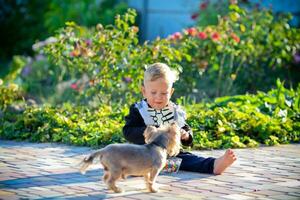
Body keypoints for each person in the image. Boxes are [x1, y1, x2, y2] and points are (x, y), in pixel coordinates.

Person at [123, 63, 236, 175]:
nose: (158, 97)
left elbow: (185, 128)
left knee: (188, 159)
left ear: (171, 92)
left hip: (171, 154)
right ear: (144, 91)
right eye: (153, 93)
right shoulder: (139, 109)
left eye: (164, 93)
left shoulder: (174, 110)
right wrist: (151, 131)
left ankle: (214, 165)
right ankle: (136, 167)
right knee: (133, 158)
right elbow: (128, 131)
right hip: (146, 151)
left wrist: (185, 135)